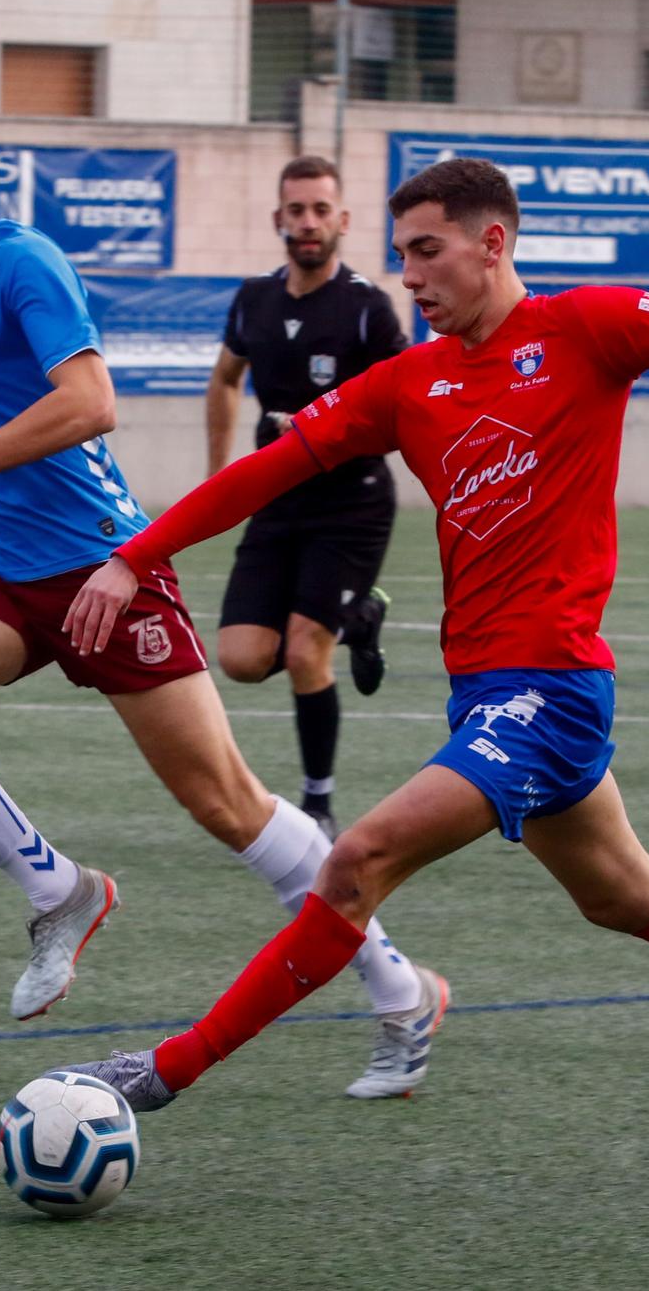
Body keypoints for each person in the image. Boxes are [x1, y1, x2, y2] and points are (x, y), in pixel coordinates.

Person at [54, 158, 649, 1129]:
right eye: (399, 255)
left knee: (355, 860)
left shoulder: (587, 328)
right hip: (486, 690)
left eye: (426, 250)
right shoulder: (408, 383)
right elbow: (265, 472)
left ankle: (165, 1069)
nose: (408, 276)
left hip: (551, 690)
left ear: (490, 242)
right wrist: (134, 555)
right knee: (624, 892)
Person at [0, 78, 442, 1099]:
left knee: (228, 803)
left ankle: (398, 987)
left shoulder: (22, 261)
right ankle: (56, 886)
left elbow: (88, 401)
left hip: (103, 568)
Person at [205, 155, 405, 840]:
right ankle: (360, 621)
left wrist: (326, 427)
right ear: (278, 220)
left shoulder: (366, 309)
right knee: (241, 658)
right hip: (277, 497)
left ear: (343, 221)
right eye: (297, 211)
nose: (309, 223)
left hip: (351, 504)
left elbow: (402, 405)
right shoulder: (253, 299)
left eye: (321, 210)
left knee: (302, 653)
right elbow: (225, 379)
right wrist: (219, 475)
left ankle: (317, 801)